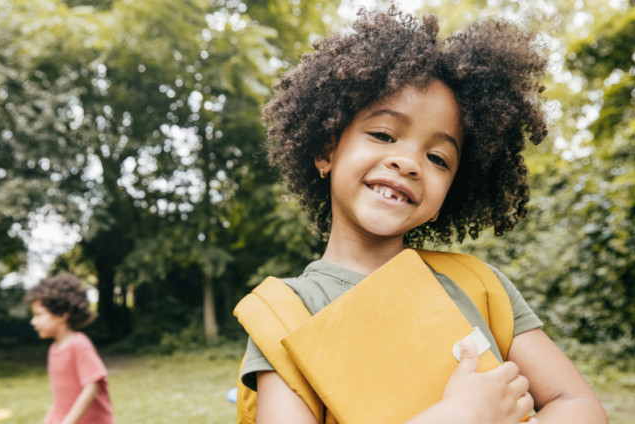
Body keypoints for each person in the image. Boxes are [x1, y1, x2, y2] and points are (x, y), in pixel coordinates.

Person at [238, 7, 608, 424]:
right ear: (326, 150)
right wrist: (461, 415)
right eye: (383, 135)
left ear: (450, 193)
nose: (409, 163)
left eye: (437, 158)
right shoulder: (284, 315)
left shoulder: (479, 286)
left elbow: (577, 405)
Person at [26, 273, 115, 424]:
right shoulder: (53, 349)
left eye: (38, 315)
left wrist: (68, 421)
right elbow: (61, 397)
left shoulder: (79, 344)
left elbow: (91, 386)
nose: (33, 321)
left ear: (62, 315)